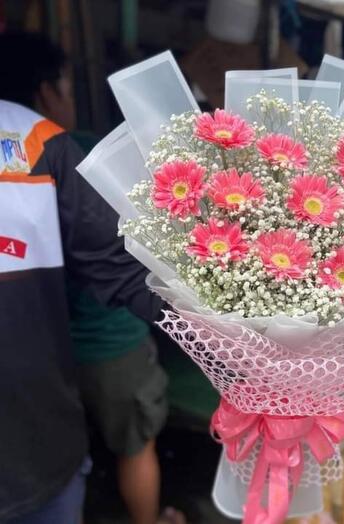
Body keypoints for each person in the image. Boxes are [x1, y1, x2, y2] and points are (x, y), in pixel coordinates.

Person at [0, 32, 183, 524]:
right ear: (47, 91)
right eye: (66, 86)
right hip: (110, 347)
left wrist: (234, 327)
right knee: (134, 445)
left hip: (43, 444)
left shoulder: (42, 149)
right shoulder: (89, 153)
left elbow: (120, 263)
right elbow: (134, 257)